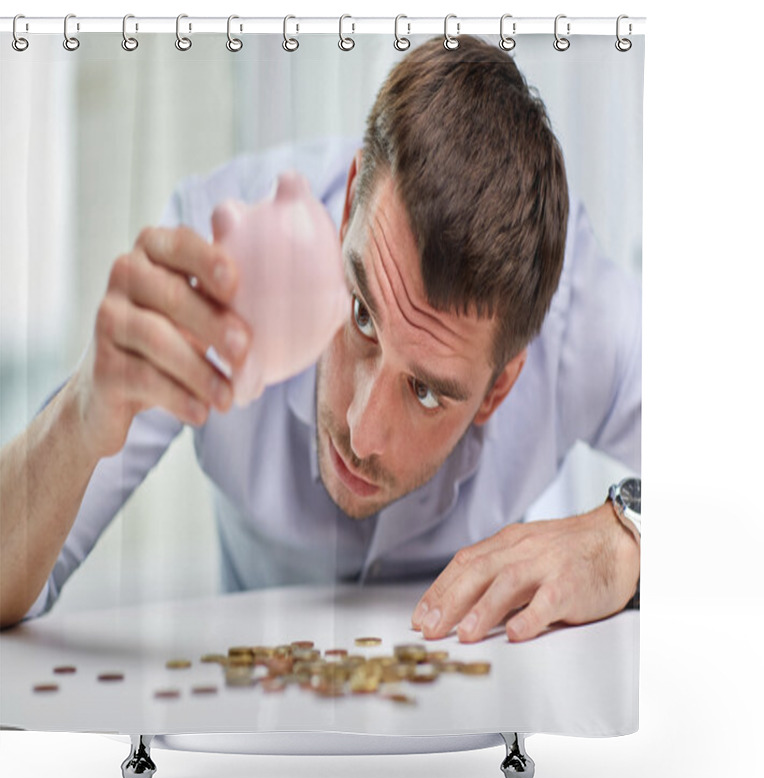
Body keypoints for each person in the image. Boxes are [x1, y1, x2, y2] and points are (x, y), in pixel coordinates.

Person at [0, 36, 640, 642]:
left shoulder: (582, 325)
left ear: (500, 386)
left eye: (425, 392)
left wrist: (623, 536)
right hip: (250, 724)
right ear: (345, 216)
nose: (360, 434)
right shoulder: (222, 254)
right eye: (362, 315)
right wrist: (81, 415)